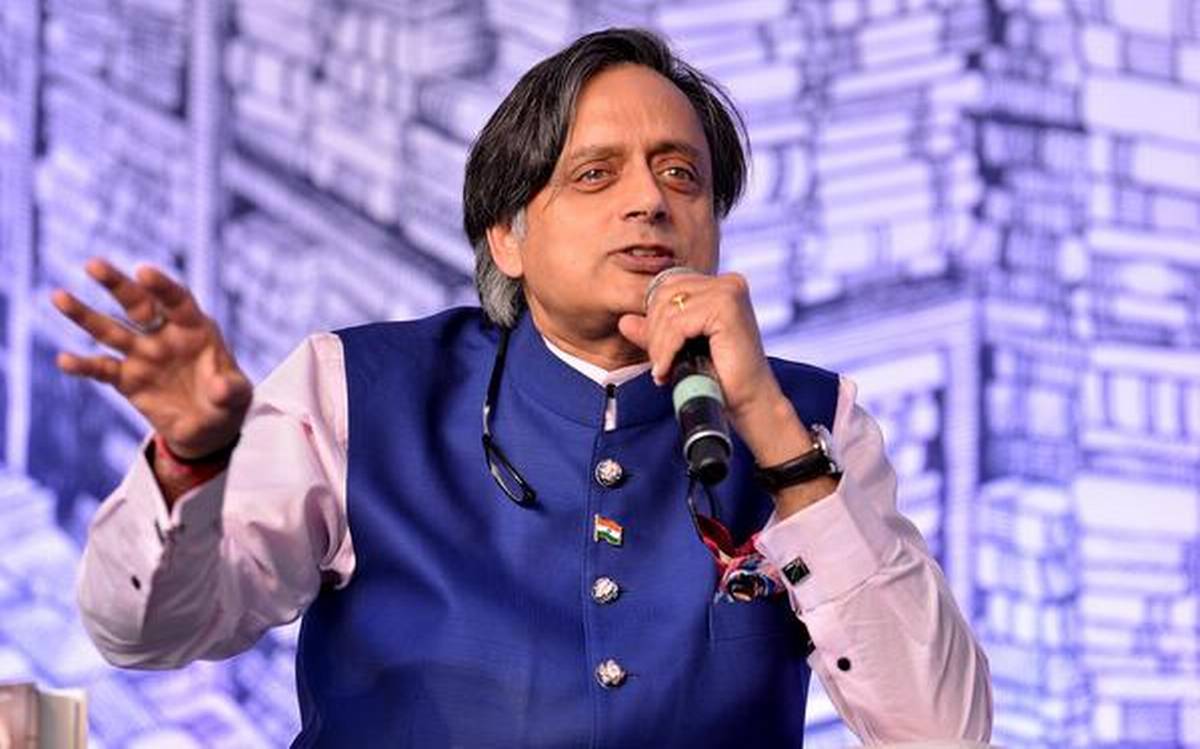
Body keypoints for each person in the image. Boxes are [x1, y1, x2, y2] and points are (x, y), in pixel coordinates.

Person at [55, 28, 992, 747]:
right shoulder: (354, 392)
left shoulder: (815, 422)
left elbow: (944, 731)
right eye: (596, 174)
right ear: (508, 235)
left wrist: (776, 438)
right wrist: (190, 463)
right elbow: (146, 634)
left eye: (682, 175)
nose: (650, 201)